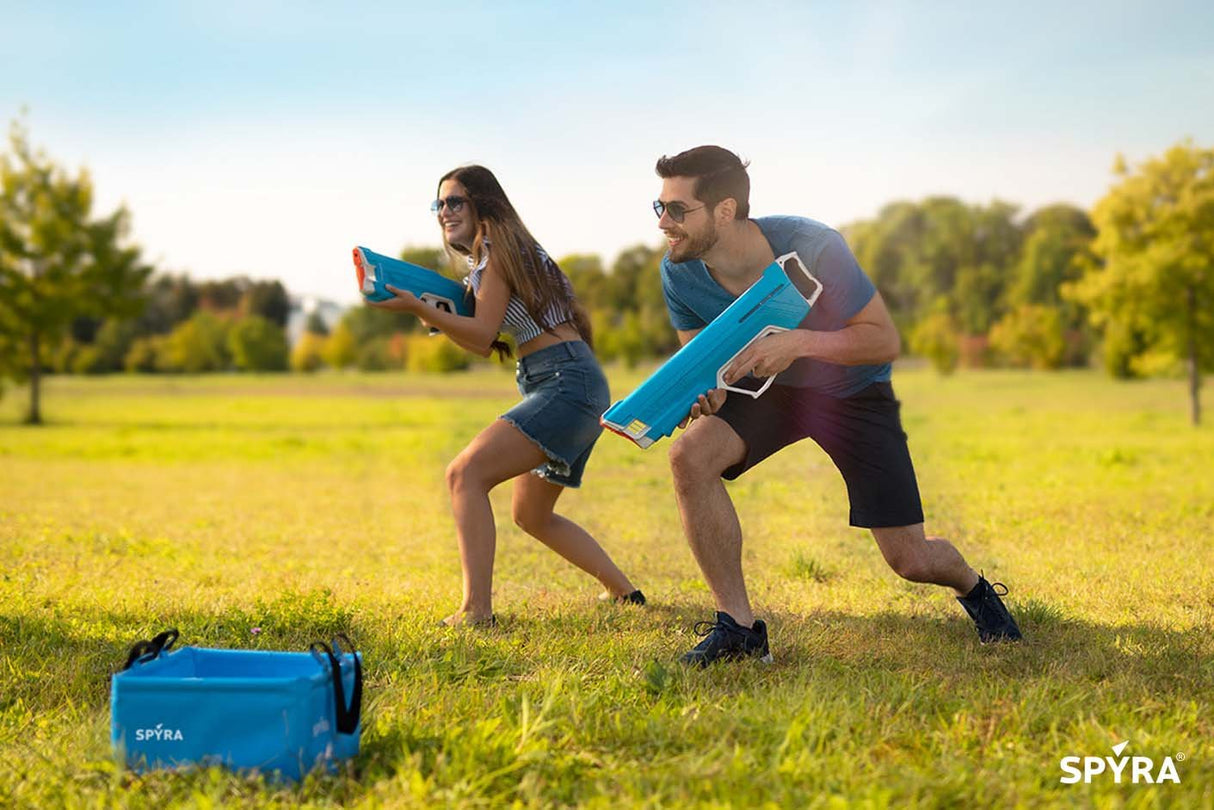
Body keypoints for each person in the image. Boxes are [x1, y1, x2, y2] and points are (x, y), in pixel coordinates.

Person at [650, 145, 1021, 665]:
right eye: (659, 207)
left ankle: (973, 588)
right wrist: (706, 396)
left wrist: (799, 343)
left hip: (852, 390)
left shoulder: (814, 245)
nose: (663, 223)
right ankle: (739, 629)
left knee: (910, 559)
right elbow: (706, 364)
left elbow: (882, 339)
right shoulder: (679, 273)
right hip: (768, 389)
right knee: (689, 456)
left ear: (725, 210)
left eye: (677, 209)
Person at [369, 165, 643, 626]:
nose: (444, 212)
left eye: (455, 201)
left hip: (565, 381)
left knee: (464, 474)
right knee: (531, 514)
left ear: (483, 203)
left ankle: (476, 611)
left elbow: (480, 334)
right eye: (439, 204)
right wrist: (433, 312)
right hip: (571, 379)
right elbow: (483, 340)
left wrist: (420, 308)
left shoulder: (498, 251)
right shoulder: (503, 254)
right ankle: (625, 593)